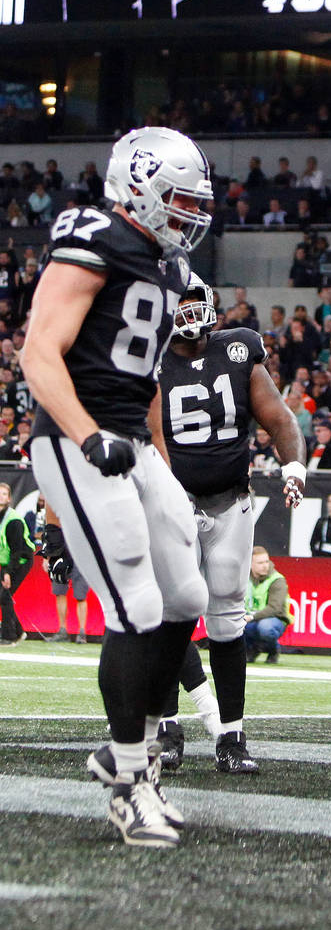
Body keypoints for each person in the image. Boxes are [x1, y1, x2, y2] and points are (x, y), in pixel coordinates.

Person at [23, 125, 214, 848]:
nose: (192, 213)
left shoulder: (167, 267)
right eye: (180, 199)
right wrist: (85, 432)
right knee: (134, 603)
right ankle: (131, 778)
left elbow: (147, 379)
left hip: (129, 439)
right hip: (79, 440)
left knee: (186, 597)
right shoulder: (96, 234)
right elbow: (41, 350)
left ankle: (126, 752)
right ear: (138, 187)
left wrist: (152, 452)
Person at [155, 272, 306, 772]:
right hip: (175, 503)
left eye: (195, 299)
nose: (189, 310)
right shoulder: (152, 361)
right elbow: (153, 437)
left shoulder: (238, 349)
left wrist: (294, 466)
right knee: (170, 612)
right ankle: (166, 725)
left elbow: (280, 418)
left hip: (230, 504)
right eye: (179, 302)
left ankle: (232, 737)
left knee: (226, 615)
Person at [40, 516, 88, 643]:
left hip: (81, 556)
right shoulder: (58, 507)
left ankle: (82, 632)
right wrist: (46, 557)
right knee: (59, 593)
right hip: (60, 555)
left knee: (81, 596)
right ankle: (62, 630)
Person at [244, 545, 292, 663]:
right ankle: (250, 650)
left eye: (266, 561)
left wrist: (251, 617)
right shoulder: (244, 578)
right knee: (234, 625)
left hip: (275, 620)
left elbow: (274, 608)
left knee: (265, 628)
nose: (265, 565)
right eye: (260, 563)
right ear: (250, 564)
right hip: (251, 619)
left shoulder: (277, 580)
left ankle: (272, 650)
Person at [0, 481, 33, 646]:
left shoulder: (13, 520)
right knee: (4, 596)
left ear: (9, 499)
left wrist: (7, 572)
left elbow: (17, 550)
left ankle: (9, 635)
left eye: (4, 494)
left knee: (4, 595)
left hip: (21, 560)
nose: (1, 496)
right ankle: (18, 632)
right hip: (6, 562)